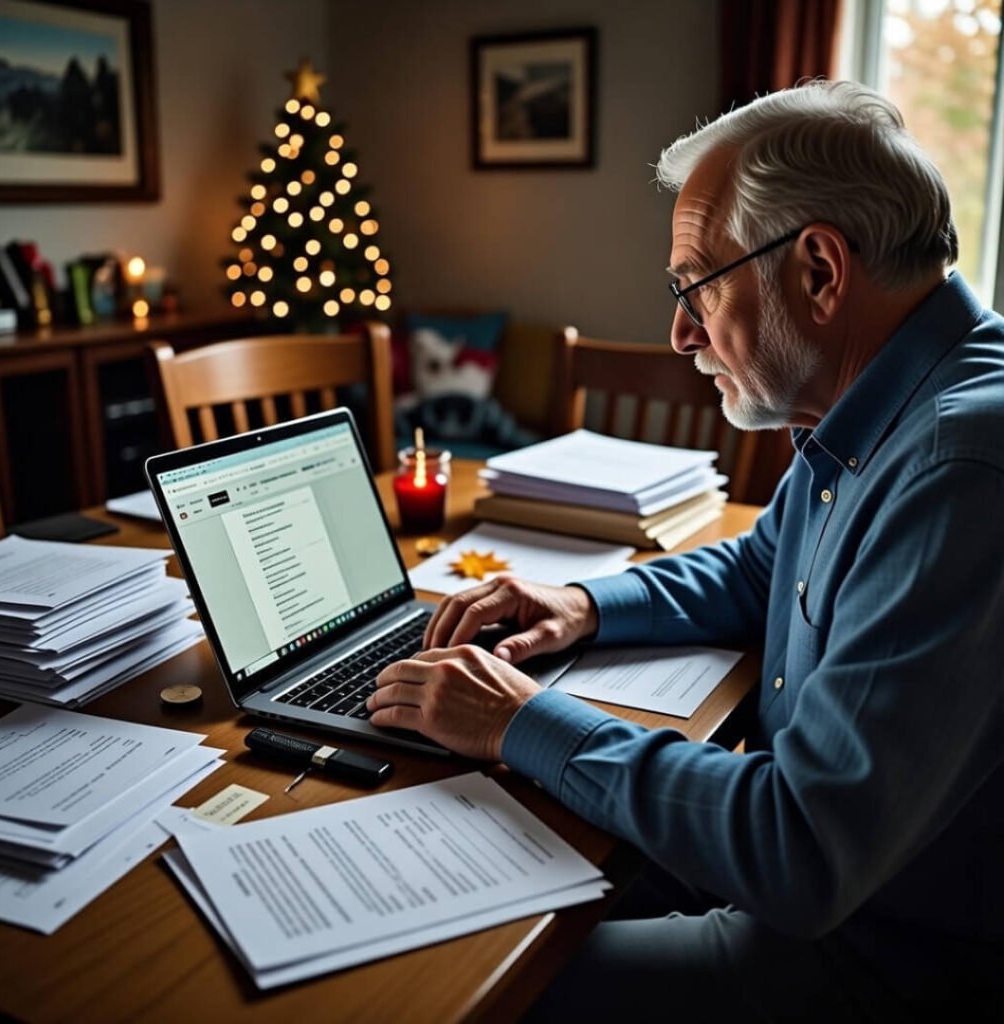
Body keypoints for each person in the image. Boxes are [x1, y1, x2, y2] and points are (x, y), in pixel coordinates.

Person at [367, 80, 1004, 1020]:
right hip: (817, 894)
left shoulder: (960, 468)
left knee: (448, 986)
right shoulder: (885, 406)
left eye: (697, 285)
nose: (680, 332)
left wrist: (518, 719)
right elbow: (757, 566)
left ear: (819, 271)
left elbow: (798, 846)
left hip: (878, 954)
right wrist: (582, 604)